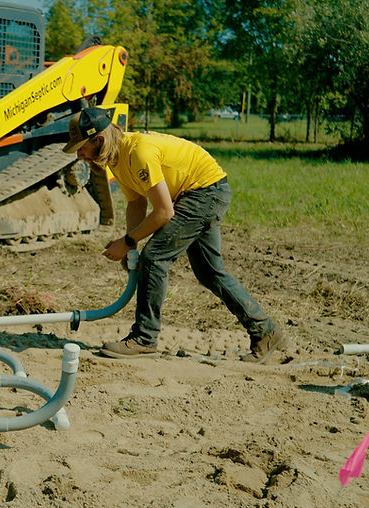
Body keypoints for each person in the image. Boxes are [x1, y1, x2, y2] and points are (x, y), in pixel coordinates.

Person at [63, 107, 286, 362]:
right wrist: (131, 247)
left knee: (155, 257)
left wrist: (127, 242)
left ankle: (144, 338)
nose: (79, 154)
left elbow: (164, 212)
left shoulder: (139, 152)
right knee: (209, 272)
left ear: (99, 140)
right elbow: (136, 203)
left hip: (205, 192)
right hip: (203, 192)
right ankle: (266, 332)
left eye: (81, 147)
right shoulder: (118, 158)